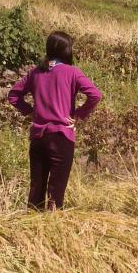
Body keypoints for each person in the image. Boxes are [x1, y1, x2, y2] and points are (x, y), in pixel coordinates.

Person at [8, 31, 102, 210]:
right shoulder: (72, 72)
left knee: (36, 188)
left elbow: (13, 95)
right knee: (56, 191)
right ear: (66, 50)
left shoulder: (35, 72)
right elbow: (95, 95)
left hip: (38, 137)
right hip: (61, 136)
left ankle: (31, 226)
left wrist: (31, 112)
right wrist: (78, 116)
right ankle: (52, 228)